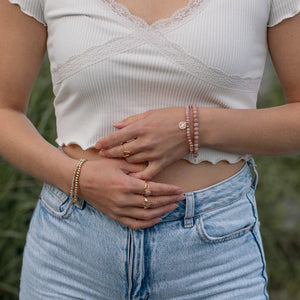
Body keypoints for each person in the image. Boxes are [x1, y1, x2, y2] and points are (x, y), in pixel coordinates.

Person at [0, 0, 299, 299]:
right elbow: (4, 110)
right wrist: (78, 178)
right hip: (70, 255)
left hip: (214, 262)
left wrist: (194, 127)